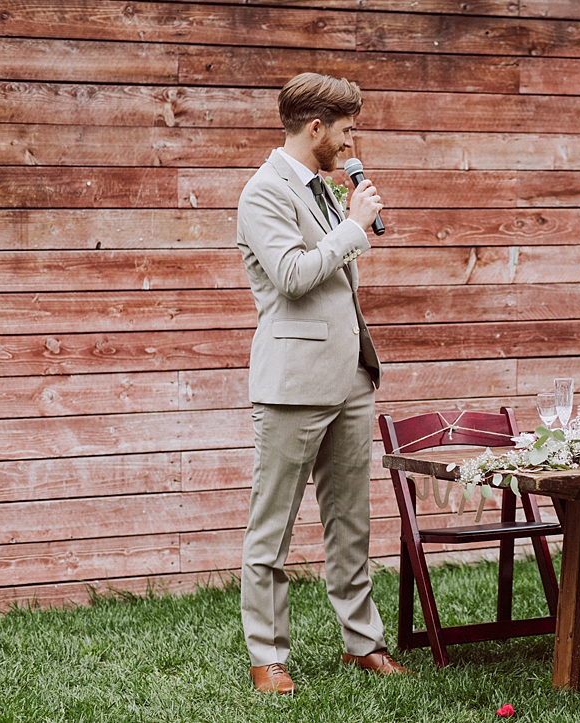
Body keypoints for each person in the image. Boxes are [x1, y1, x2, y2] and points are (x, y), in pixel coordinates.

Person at [236, 72, 407, 695]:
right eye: (346, 129)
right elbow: (291, 275)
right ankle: (268, 656)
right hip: (292, 386)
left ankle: (362, 644)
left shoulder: (324, 189)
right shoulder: (263, 193)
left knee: (349, 523)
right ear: (317, 129)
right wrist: (353, 228)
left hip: (350, 379)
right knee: (272, 528)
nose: (351, 139)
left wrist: (348, 218)